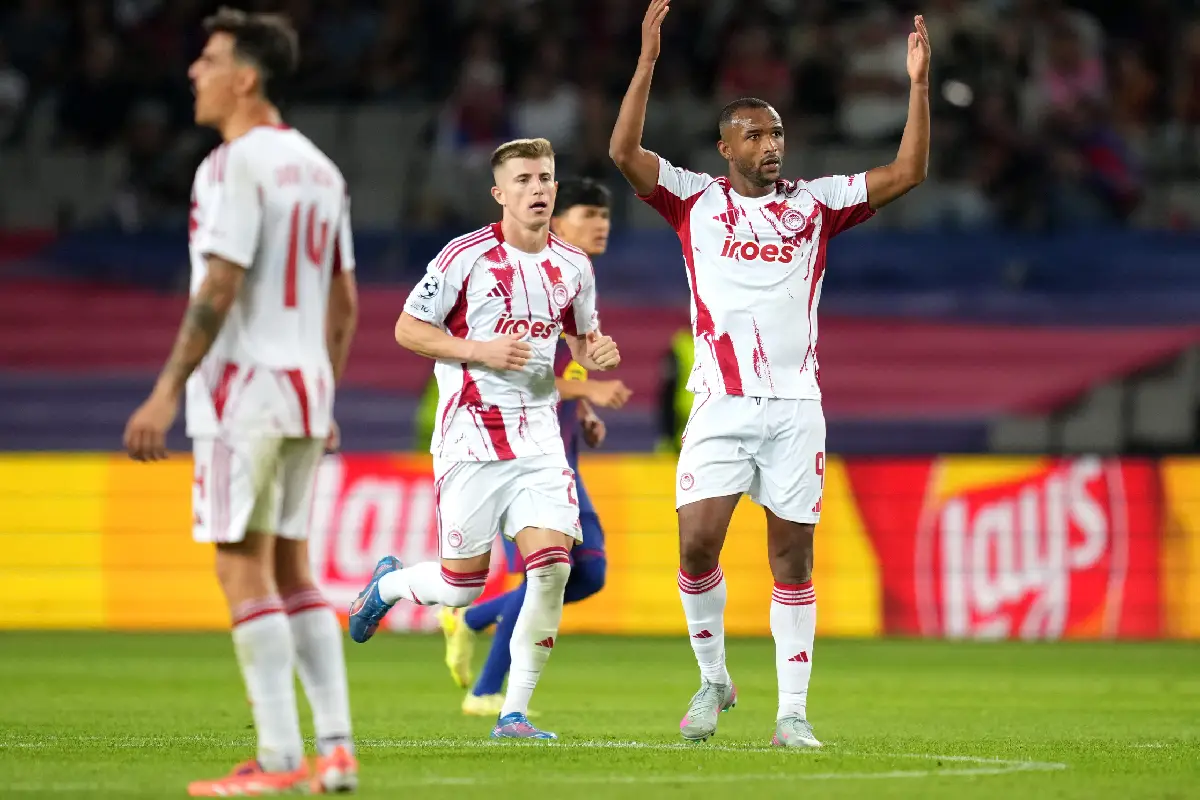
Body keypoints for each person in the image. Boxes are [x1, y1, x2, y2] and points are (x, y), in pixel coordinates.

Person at [609, 0, 931, 748]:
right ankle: (714, 678)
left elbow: (909, 170)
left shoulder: (817, 206)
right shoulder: (694, 200)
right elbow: (625, 151)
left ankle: (792, 714)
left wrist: (918, 85)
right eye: (754, 134)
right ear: (725, 147)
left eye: (778, 132)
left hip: (794, 406)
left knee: (792, 555)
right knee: (696, 545)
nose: (771, 144)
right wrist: (648, 61)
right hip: (720, 403)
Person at [122, 8, 359, 795]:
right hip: (303, 390)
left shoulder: (229, 166)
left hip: (241, 391)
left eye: (210, 58)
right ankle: (337, 749)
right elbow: (345, 304)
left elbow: (219, 286)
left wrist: (163, 393)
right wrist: (323, 392)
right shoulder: (323, 169)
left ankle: (281, 759)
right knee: (293, 567)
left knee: (239, 565)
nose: (195, 71)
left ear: (245, 77)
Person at [348, 138, 622, 741]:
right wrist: (478, 349)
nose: (539, 189)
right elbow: (406, 328)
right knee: (461, 584)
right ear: (500, 193)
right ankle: (391, 583)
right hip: (470, 440)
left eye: (546, 177)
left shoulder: (573, 266)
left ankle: (511, 713)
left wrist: (595, 350)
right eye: (523, 179)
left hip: (540, 443)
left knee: (550, 569)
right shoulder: (463, 257)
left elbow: (581, 340)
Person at [437, 178, 633, 717]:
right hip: (508, 448)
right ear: (557, 220)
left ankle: (473, 619)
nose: (602, 224)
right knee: (545, 571)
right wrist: (588, 389)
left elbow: (561, 362)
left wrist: (585, 411)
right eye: (589, 213)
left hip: (559, 451)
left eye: (606, 216)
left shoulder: (572, 277)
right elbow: (522, 368)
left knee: (586, 571)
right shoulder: (522, 276)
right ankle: (486, 694)